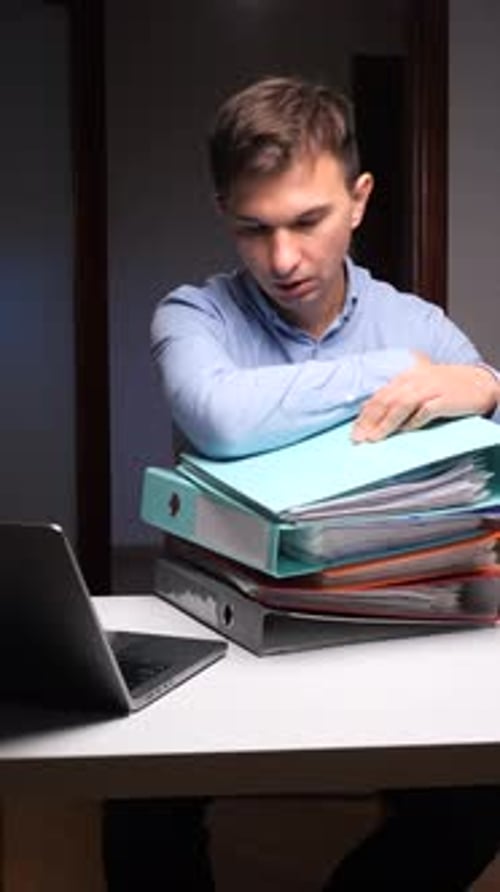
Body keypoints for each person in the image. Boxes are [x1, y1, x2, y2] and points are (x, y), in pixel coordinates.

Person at [103, 77, 500, 890]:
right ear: (224, 211)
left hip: (392, 627)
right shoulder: (193, 314)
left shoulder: (419, 321)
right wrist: (399, 374)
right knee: (136, 807)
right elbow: (219, 416)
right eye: (254, 228)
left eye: (308, 221)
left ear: (359, 201)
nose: (283, 260)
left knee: (476, 805)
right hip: (221, 625)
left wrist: (490, 387)